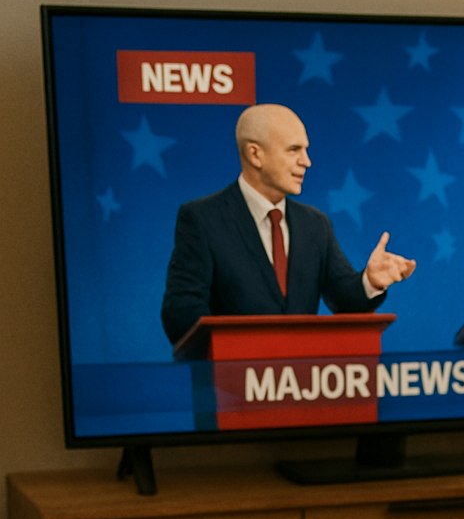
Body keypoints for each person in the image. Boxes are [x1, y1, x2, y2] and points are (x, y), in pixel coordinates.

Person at [161, 103, 415, 346]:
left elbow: (342, 297)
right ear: (255, 154)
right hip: (229, 384)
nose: (306, 161)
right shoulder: (203, 218)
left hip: (301, 381)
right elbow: (181, 312)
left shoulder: (315, 224)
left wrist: (370, 281)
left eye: (305, 149)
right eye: (294, 150)